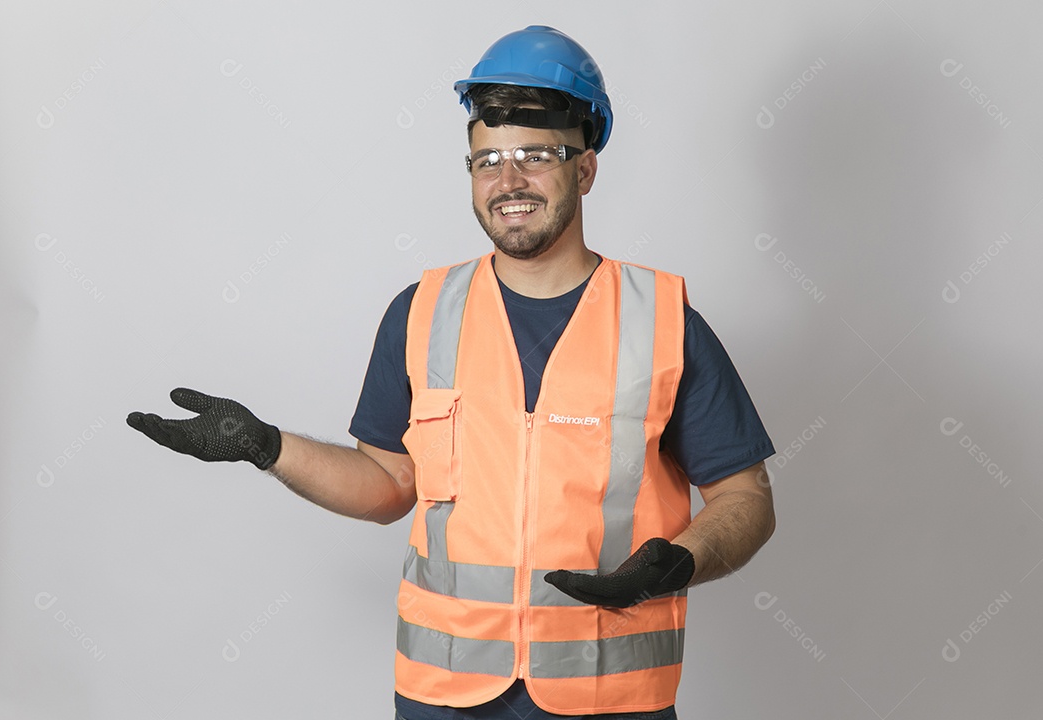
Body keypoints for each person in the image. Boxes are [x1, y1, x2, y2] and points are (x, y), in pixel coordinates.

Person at [127, 25, 776, 720]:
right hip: (444, 696)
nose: (509, 182)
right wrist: (267, 446)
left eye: (535, 156)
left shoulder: (664, 323)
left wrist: (678, 565)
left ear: (584, 168)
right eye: (487, 161)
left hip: (607, 695)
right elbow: (386, 484)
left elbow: (747, 501)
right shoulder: (422, 313)